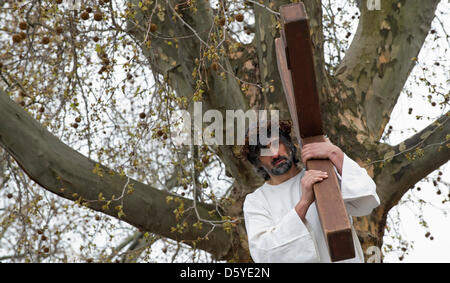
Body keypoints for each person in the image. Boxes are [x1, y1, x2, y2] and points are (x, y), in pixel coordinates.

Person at [240, 120, 380, 263]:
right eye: (264, 150)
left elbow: (366, 201)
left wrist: (335, 153)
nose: (275, 154)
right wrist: (304, 202)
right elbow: (264, 254)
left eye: (277, 144)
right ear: (257, 161)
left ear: (288, 145)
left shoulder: (323, 172)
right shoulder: (256, 200)